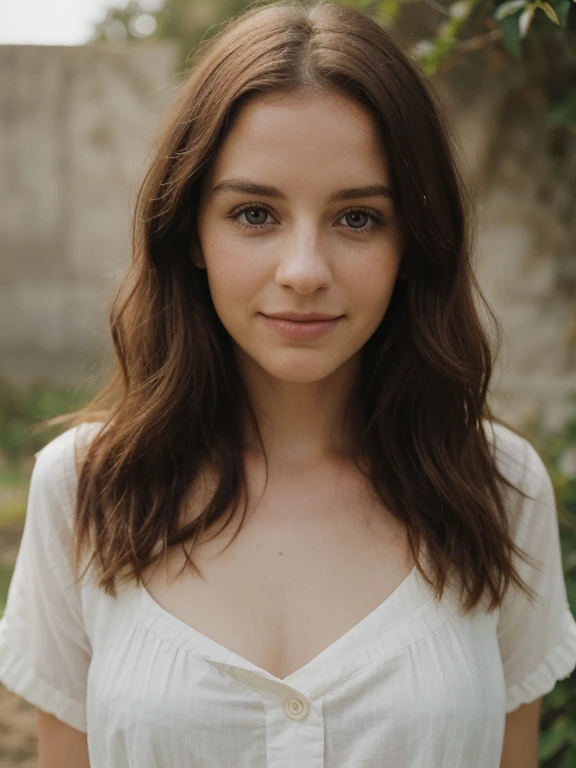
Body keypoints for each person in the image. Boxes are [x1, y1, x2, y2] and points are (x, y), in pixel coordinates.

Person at [1, 0, 576, 765]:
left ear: (414, 243)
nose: (303, 271)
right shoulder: (84, 490)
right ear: (190, 233)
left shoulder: (500, 490)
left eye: (359, 219)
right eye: (254, 213)